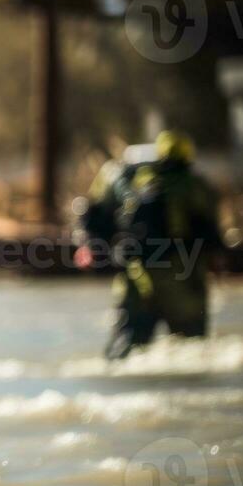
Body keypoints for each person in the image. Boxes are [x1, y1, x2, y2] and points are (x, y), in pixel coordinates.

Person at [75, 130, 223, 359]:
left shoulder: (122, 177)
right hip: (183, 279)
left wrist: (94, 249)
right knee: (192, 351)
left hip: (135, 277)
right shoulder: (193, 184)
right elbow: (212, 235)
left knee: (125, 351)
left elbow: (93, 217)